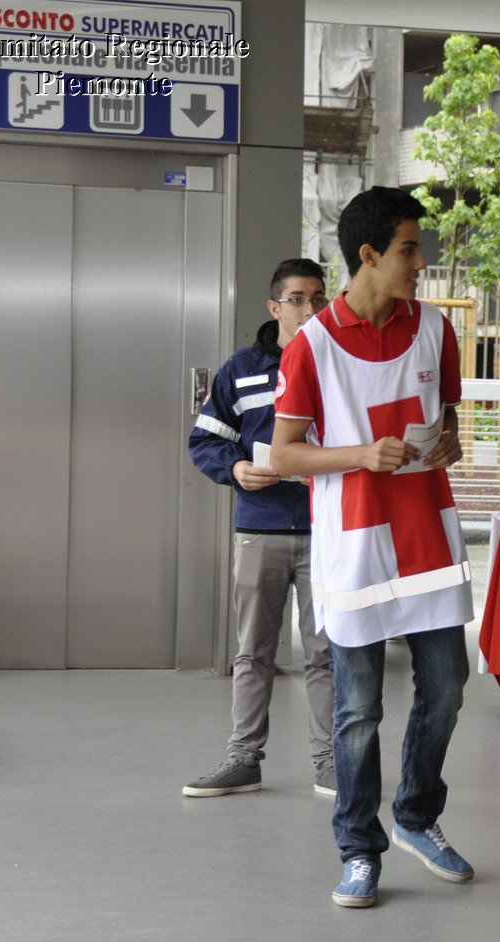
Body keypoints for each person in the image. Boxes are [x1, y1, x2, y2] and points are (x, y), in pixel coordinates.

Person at [270, 186, 475, 909]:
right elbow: (283, 455)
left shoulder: (435, 330)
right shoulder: (313, 345)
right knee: (358, 709)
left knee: (448, 686)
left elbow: (448, 422)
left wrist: (447, 440)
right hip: (355, 546)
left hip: (427, 535)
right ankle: (359, 846)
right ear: (368, 255)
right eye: (410, 250)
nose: (423, 262)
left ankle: (418, 813)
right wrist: (362, 453)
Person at [183, 259, 336, 799]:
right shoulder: (242, 369)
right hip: (260, 529)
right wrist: (236, 469)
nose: (310, 308)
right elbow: (205, 440)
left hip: (328, 532)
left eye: (318, 297)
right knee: (253, 652)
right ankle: (243, 759)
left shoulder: (340, 364)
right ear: (275, 308)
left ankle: (330, 765)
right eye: (297, 298)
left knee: (326, 653)